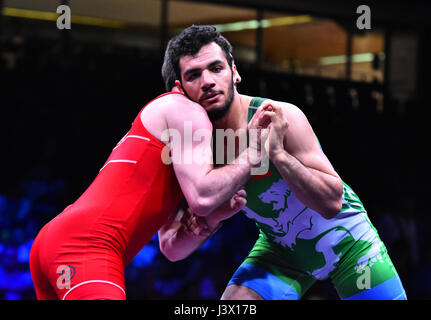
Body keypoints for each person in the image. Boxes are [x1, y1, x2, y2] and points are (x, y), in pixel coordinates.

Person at [159, 25, 407, 300]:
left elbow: (332, 203)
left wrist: (279, 156)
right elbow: (171, 248)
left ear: (234, 72)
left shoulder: (279, 116)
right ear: (178, 91)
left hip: (350, 244)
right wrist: (209, 222)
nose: (207, 81)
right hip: (283, 250)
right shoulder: (188, 149)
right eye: (194, 75)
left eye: (216, 68)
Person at [29, 87, 270, 300]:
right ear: (179, 83)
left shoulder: (181, 157)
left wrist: (213, 217)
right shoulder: (183, 110)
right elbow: (203, 199)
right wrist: (254, 153)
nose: (207, 82)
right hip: (86, 245)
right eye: (195, 74)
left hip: (59, 242)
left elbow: (171, 248)